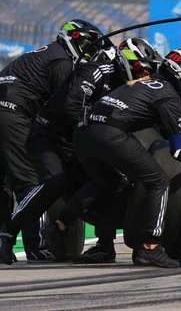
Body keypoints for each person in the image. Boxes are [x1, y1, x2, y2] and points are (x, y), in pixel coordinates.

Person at [70, 49, 181, 268]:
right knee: (159, 181)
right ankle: (150, 247)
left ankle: (71, 224)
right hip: (111, 134)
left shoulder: (140, 84)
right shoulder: (168, 96)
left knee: (111, 183)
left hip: (83, 135)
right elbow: (180, 151)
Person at [0, 19, 103, 265]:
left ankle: (4, 242)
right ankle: (33, 246)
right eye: (87, 44)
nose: (88, 51)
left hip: (7, 111)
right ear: (74, 38)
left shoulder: (46, 53)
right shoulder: (62, 62)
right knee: (30, 183)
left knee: (4, 183)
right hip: (14, 114)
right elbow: (65, 106)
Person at [61, 37, 163, 264]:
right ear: (126, 61)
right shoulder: (98, 72)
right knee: (105, 183)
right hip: (87, 138)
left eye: (146, 70)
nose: (143, 75)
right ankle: (96, 240)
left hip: (120, 137)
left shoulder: (141, 84)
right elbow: (73, 106)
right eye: (139, 69)